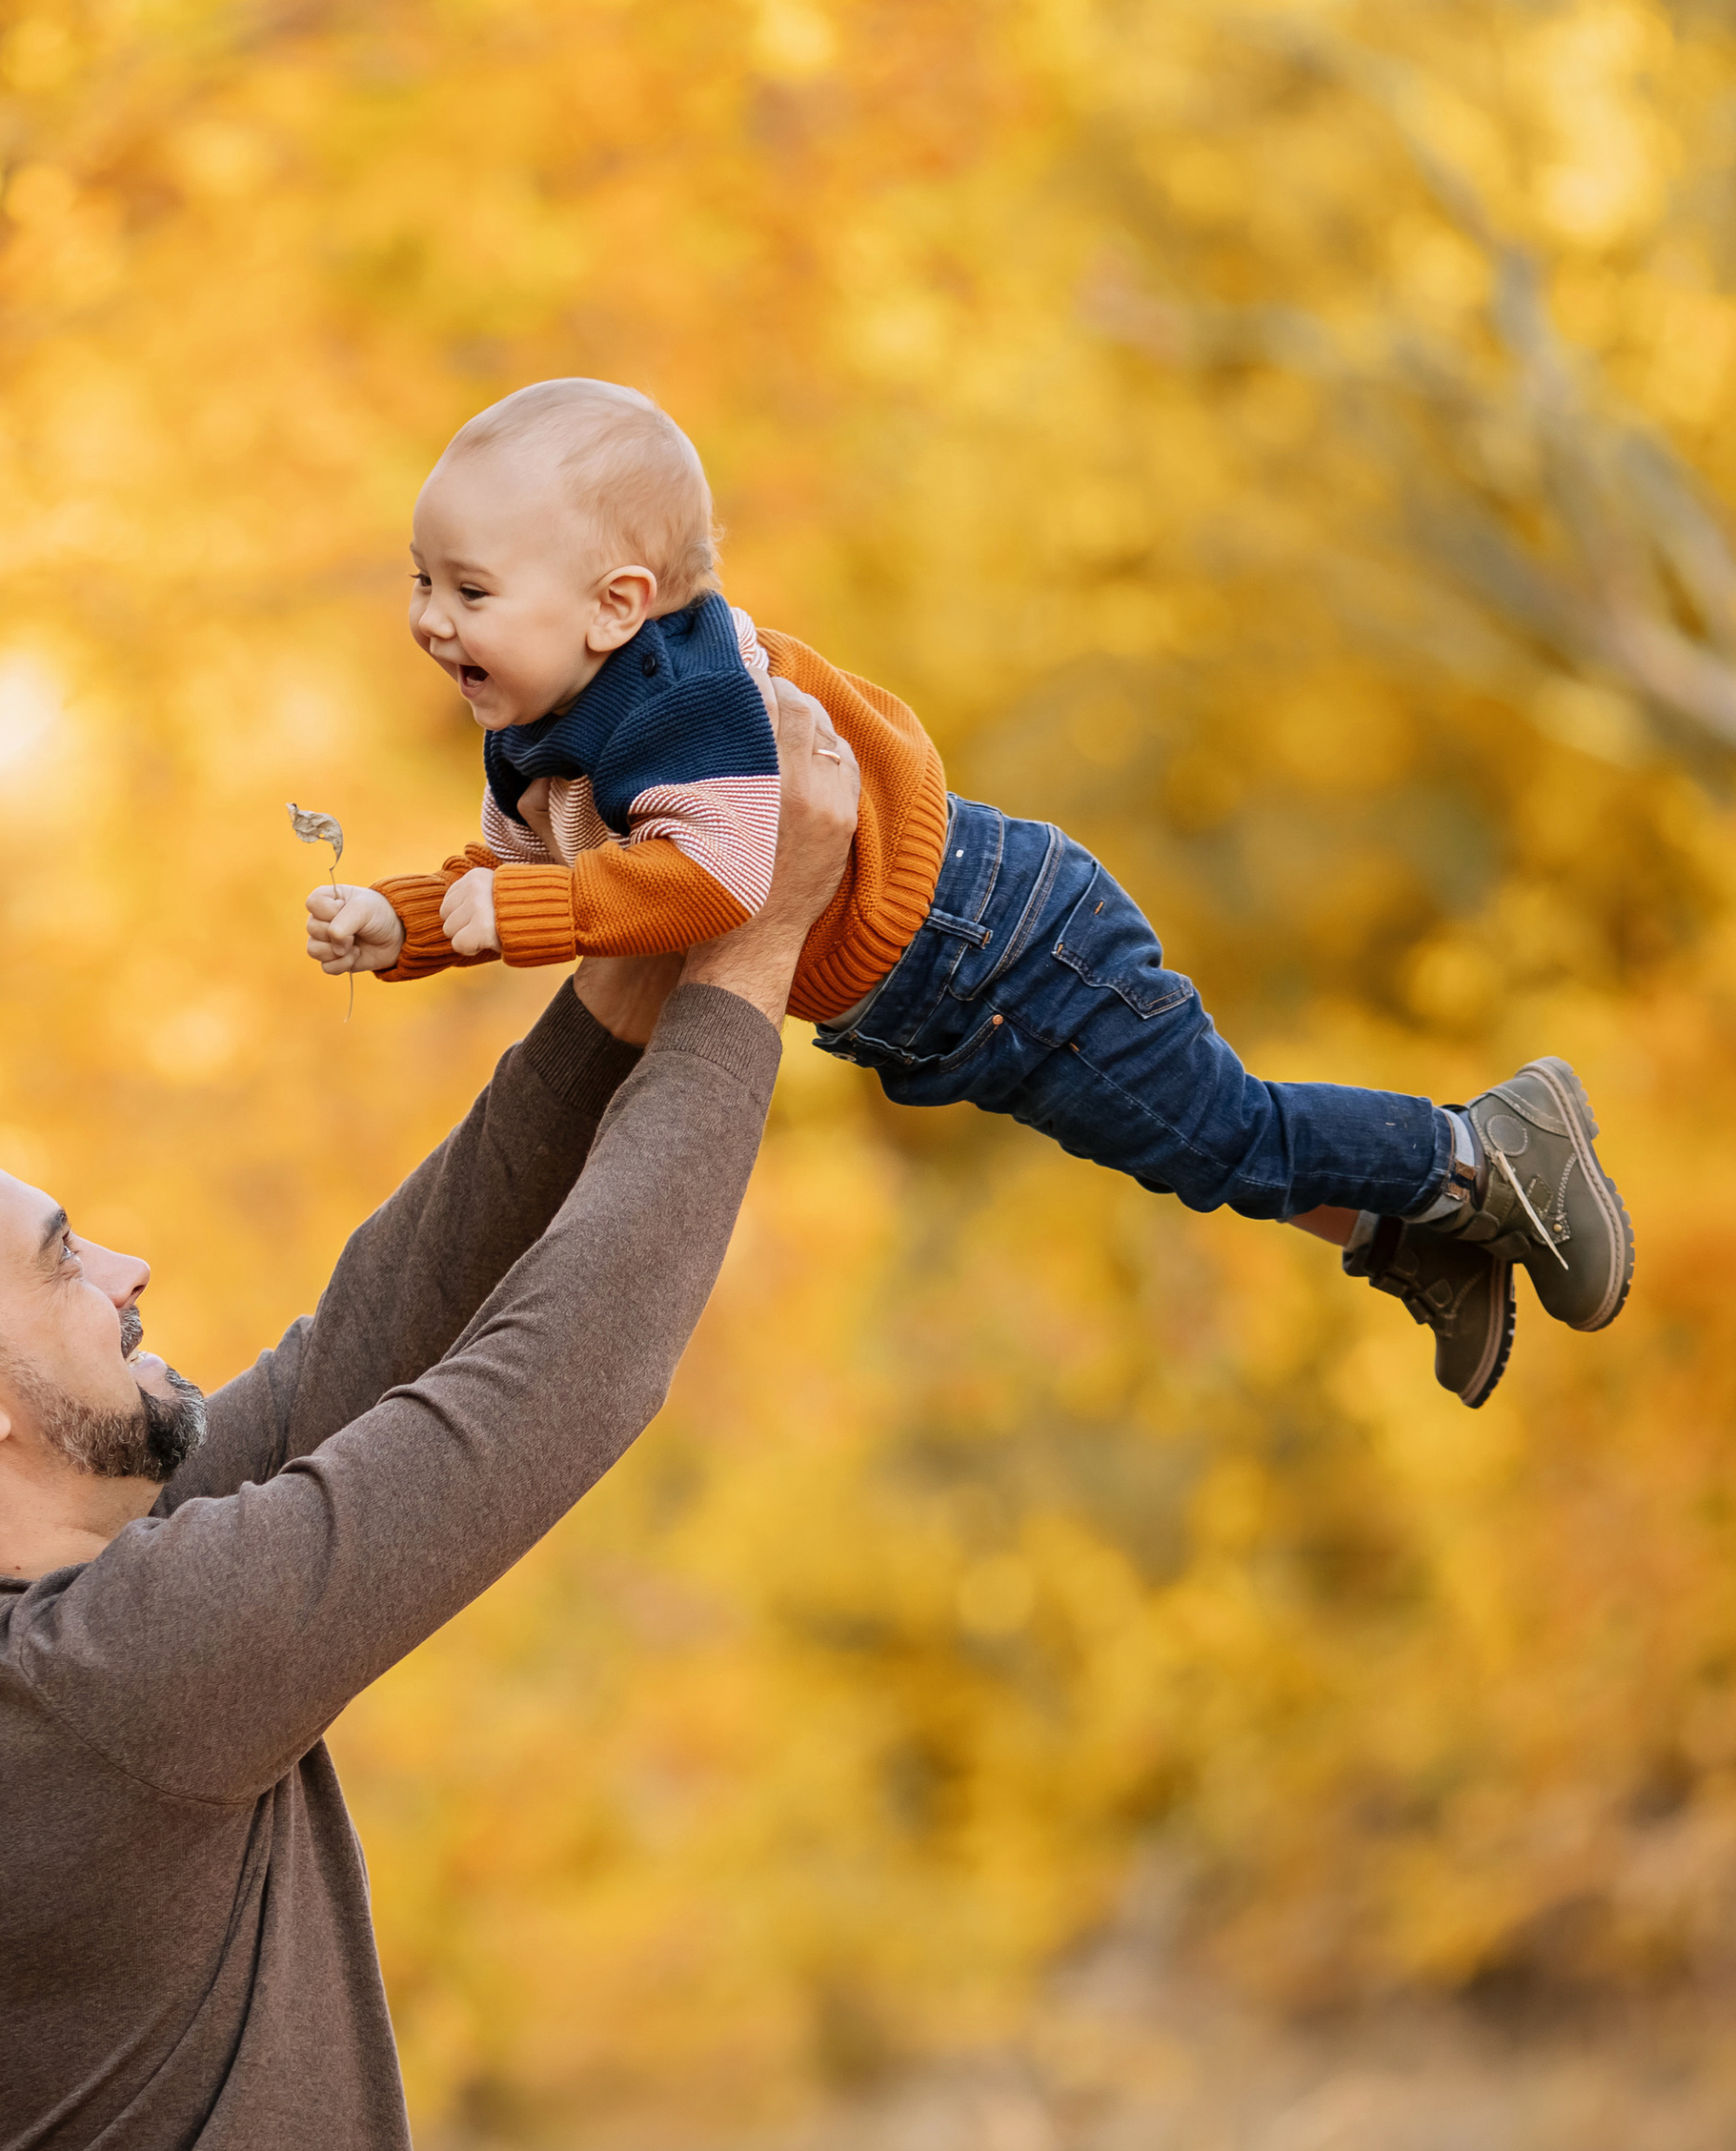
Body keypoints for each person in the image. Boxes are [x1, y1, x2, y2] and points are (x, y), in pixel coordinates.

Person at [0, 680, 859, 2151]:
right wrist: (752, 965)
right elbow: (548, 1388)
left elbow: (372, 1343)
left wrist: (621, 985)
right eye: (64, 1259)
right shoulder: (102, 1683)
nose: (132, 1270)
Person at [304, 378, 1635, 1410]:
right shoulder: (544, 719)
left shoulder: (696, 701)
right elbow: (527, 880)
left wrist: (525, 916)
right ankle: (1421, 1240)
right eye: (422, 581)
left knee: (1221, 1131)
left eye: (469, 591)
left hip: (1007, 941)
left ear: (615, 605)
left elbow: (714, 885)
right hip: (940, 1003)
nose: (430, 620)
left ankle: (1480, 1153)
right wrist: (408, 919)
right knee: (1173, 1152)